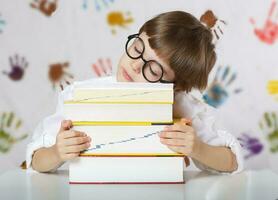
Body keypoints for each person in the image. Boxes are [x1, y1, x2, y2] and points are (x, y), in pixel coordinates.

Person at [27, 11, 243, 174]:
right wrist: (56, 152)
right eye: (138, 48)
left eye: (154, 69)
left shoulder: (185, 109)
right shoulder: (81, 97)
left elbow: (232, 161)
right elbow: (35, 160)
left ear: (175, 86)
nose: (135, 65)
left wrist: (198, 148)